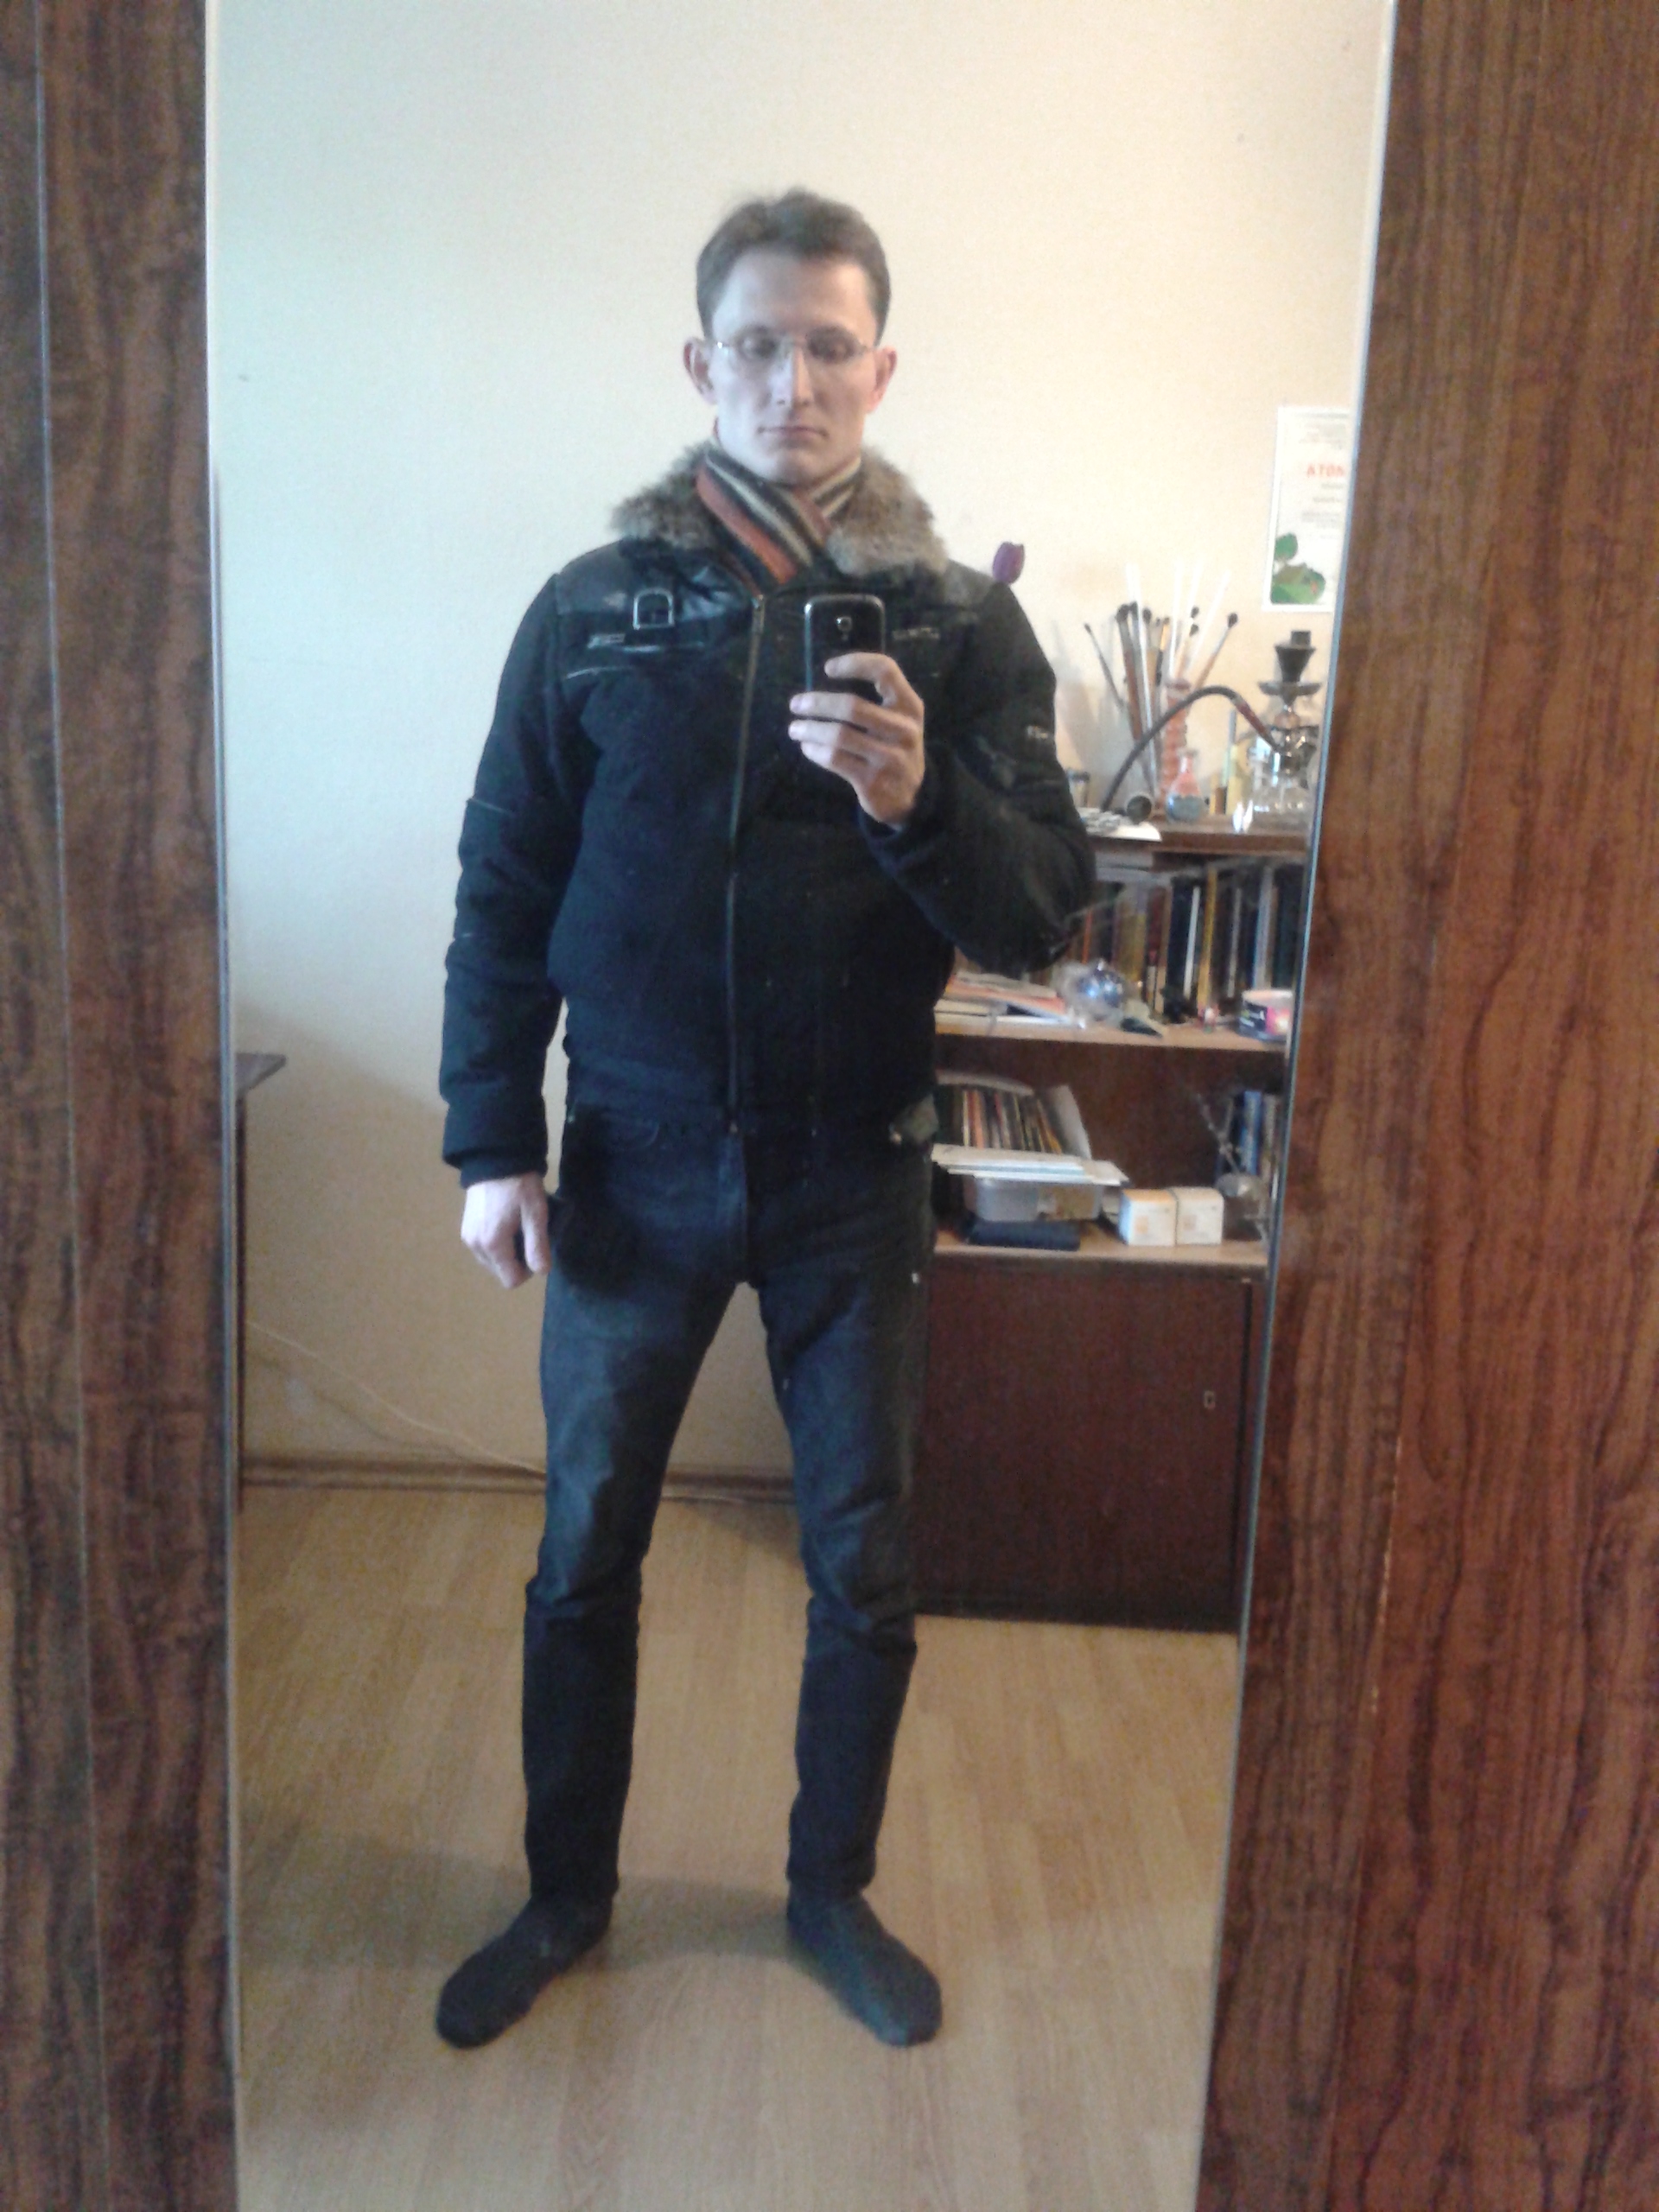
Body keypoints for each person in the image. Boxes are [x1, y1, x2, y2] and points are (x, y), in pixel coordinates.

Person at [435, 188, 1091, 2051]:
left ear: (881, 368)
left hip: (850, 1166)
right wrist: (492, 1139)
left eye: (828, 346)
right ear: (698, 361)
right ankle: (566, 1891)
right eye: (757, 344)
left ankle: (830, 1890)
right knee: (585, 1548)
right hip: (629, 1155)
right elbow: (505, 879)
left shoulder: (963, 628)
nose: (792, 380)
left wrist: (919, 805)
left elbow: (1043, 912)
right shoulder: (589, 610)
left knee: (864, 1562)